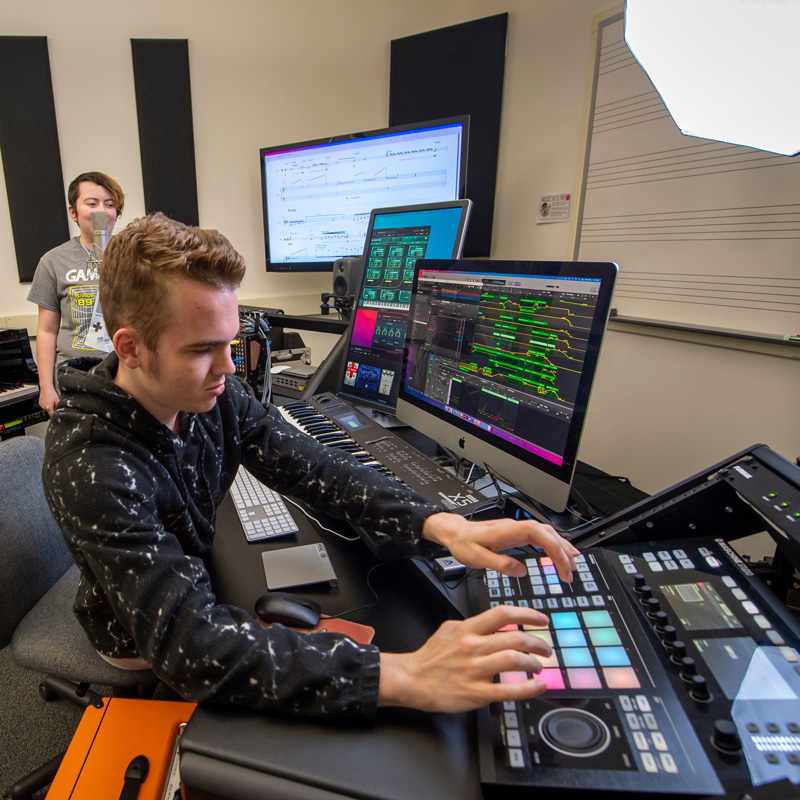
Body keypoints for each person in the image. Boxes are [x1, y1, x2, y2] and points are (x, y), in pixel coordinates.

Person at [42, 212, 579, 718]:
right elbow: (190, 650)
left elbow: (313, 466)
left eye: (230, 342)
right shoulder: (93, 465)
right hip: (136, 640)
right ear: (131, 348)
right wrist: (405, 674)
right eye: (203, 349)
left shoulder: (210, 395)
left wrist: (438, 524)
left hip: (191, 580)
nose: (227, 367)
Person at [27, 171, 125, 416]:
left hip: (125, 374)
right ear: (73, 212)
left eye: (109, 204)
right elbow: (47, 330)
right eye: (92, 204)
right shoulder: (53, 261)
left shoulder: (134, 255)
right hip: (75, 377)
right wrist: (46, 387)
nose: (102, 211)